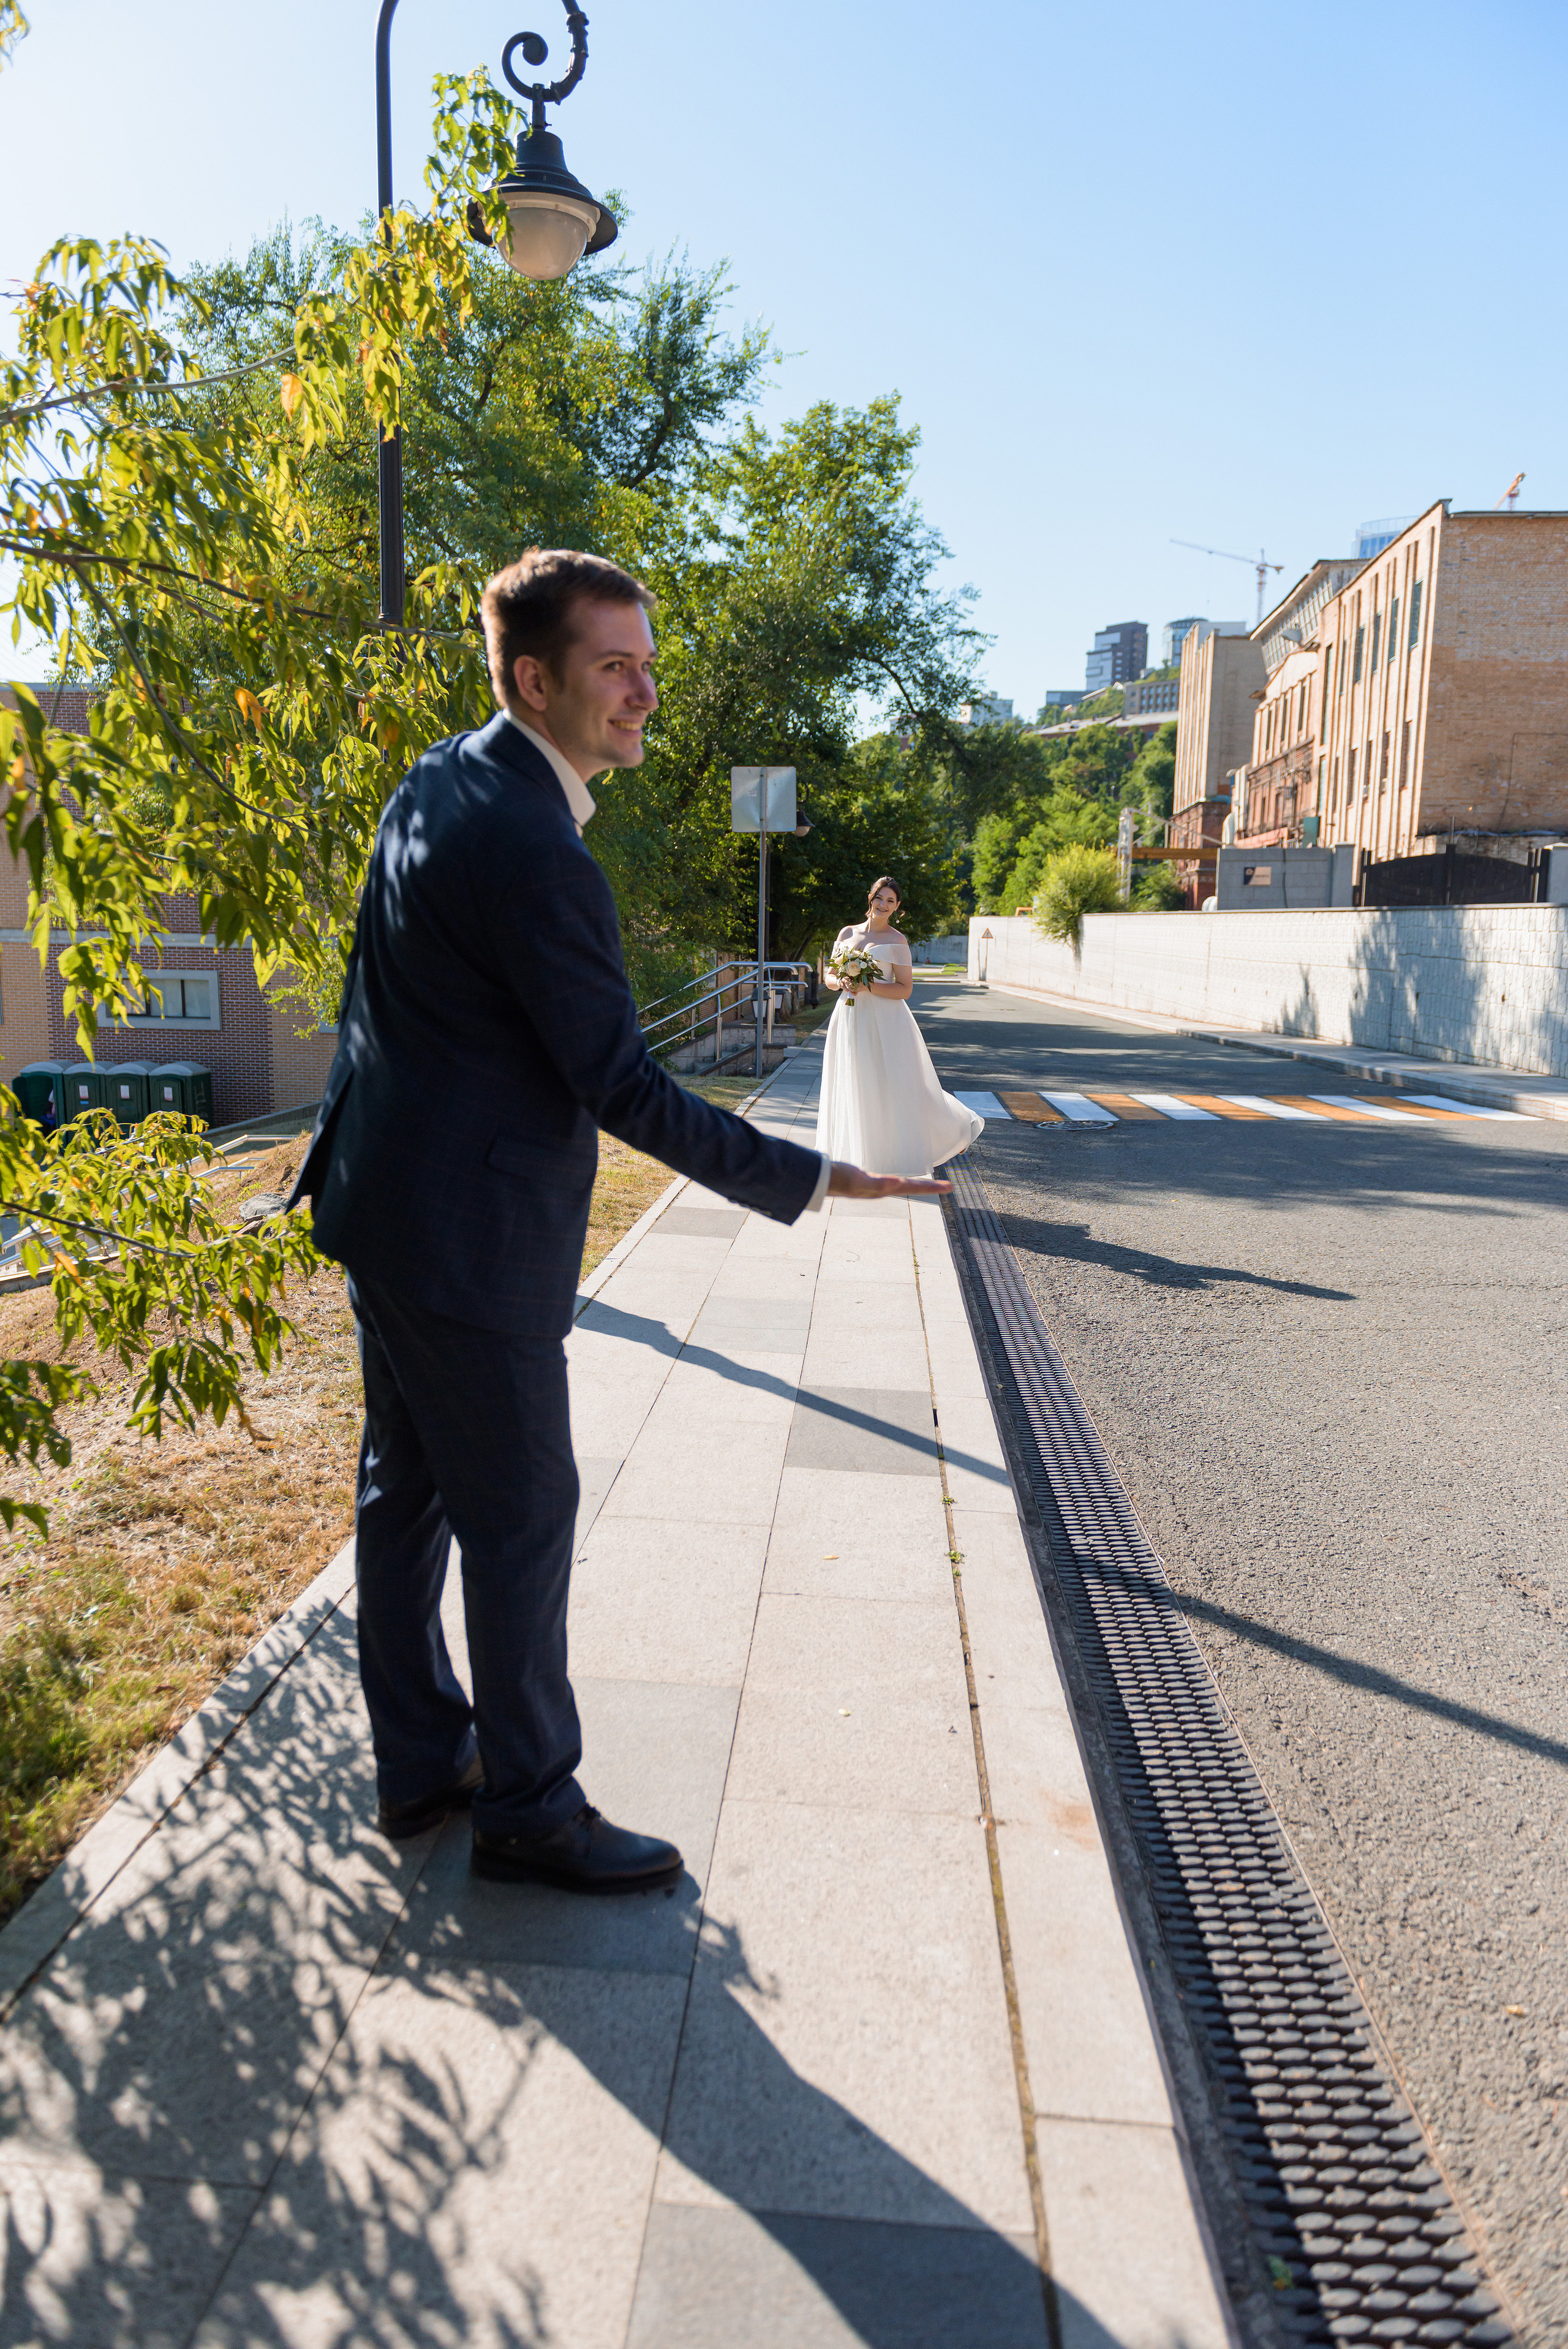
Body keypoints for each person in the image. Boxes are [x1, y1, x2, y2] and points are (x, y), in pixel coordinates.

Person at [288, 549, 951, 1897]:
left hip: (385, 1199)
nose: (646, 692)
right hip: (468, 1240)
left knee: (405, 1491)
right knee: (522, 1511)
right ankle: (527, 1803)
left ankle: (422, 1759)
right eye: (615, 668)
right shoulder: (535, 848)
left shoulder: (442, 776)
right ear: (536, 680)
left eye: (648, 662)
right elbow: (622, 1085)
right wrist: (812, 1174)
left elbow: (387, 991)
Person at [815, 877, 983, 1176]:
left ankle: (952, 1129)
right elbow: (828, 977)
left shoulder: (897, 941)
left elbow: (905, 989)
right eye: (880, 897)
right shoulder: (847, 933)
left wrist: (868, 987)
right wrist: (840, 982)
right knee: (853, 1078)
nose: (883, 904)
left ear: (897, 907)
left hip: (887, 1021)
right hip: (849, 1016)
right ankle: (858, 1158)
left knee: (895, 1083)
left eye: (890, 901)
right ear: (871, 897)